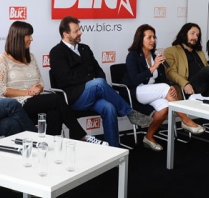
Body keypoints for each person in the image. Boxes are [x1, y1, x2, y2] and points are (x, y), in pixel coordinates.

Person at [0, 20, 108, 145]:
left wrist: (39, 88)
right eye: (28, 35)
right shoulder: (2, 59)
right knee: (56, 99)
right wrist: (27, 92)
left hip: (35, 100)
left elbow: (41, 82)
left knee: (55, 113)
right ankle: (81, 135)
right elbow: (0, 90)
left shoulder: (31, 57)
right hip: (16, 104)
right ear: (18, 37)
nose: (31, 39)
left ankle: (50, 145)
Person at [49, 16, 153, 148]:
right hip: (73, 98)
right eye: (76, 31)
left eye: (80, 29)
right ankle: (130, 113)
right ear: (65, 34)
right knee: (98, 83)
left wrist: (96, 80)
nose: (80, 32)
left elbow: (99, 71)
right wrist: (91, 80)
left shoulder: (85, 48)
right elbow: (66, 78)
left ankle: (113, 150)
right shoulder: (56, 52)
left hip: (93, 94)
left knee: (109, 108)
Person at [122, 24, 205, 151]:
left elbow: (162, 78)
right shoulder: (133, 56)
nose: (152, 40)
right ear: (140, 39)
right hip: (137, 91)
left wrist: (170, 86)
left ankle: (149, 137)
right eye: (149, 37)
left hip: (153, 91)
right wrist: (153, 67)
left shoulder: (155, 55)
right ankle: (186, 120)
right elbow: (134, 80)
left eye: (154, 37)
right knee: (163, 88)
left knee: (165, 107)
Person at [163, 22, 209, 97]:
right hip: (190, 86)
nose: (195, 37)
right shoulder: (170, 51)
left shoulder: (199, 52)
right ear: (184, 34)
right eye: (192, 33)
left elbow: (208, 69)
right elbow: (170, 73)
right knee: (208, 70)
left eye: (197, 35)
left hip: (205, 86)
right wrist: (185, 84)